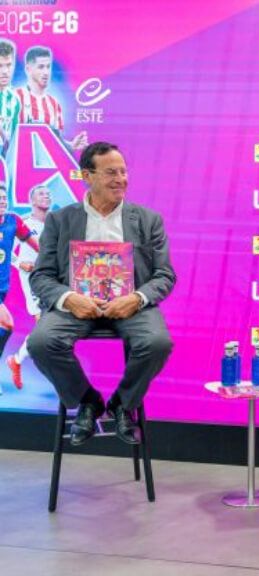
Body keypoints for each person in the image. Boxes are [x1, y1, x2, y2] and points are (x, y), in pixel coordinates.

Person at [27, 142, 175, 445]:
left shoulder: (148, 220)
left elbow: (164, 275)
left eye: (123, 171)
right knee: (41, 343)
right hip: (76, 306)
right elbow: (41, 275)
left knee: (158, 343)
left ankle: (122, 404)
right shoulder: (59, 220)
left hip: (132, 307)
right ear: (87, 175)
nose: (121, 179)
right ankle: (88, 401)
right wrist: (69, 298)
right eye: (111, 172)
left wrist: (136, 298)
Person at [7, 184, 51, 389]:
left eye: (48, 194)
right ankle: (17, 360)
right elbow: (4, 249)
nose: (46, 196)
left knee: (49, 326)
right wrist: (19, 263)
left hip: (53, 278)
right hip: (32, 278)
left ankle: (17, 359)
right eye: (42, 194)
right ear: (32, 200)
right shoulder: (21, 223)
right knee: (43, 324)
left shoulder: (55, 222)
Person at [0, 182, 38, 395]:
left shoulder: (12, 221)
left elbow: (37, 245)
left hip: (2, 288)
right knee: (6, 324)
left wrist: (50, 257)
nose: (2, 202)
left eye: (4, 199)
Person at [14, 46, 87, 152]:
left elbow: (55, 142)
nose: (46, 72)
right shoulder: (14, 98)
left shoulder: (54, 104)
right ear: (28, 69)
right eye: (41, 67)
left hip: (47, 168)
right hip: (17, 165)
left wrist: (71, 146)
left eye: (48, 67)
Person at [0, 38, 21, 155]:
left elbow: (13, 138)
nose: (5, 71)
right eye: (0, 66)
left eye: (8, 65)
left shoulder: (14, 100)